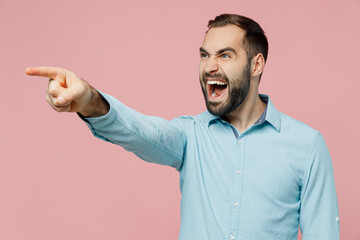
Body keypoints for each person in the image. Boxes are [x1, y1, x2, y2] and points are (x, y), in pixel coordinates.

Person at [26, 14, 339, 240]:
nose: (209, 67)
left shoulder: (306, 145)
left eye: (225, 55)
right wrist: (89, 100)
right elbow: (138, 130)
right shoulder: (190, 135)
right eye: (204, 55)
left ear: (256, 64)